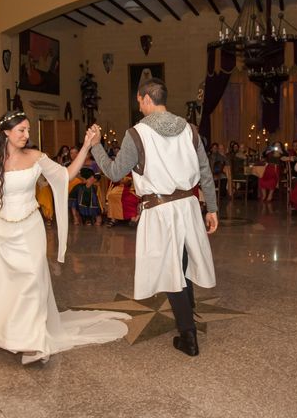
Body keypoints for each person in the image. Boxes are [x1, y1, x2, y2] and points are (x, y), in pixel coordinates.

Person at [0, 111, 129, 364]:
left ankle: (32, 342)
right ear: (6, 133)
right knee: (0, 281)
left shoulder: (36, 157)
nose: (26, 135)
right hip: (0, 227)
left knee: (33, 278)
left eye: (28, 130)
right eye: (21, 130)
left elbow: (65, 175)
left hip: (30, 227)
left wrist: (88, 145)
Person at [88, 78, 218, 357]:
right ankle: (190, 312)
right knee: (182, 261)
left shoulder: (136, 134)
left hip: (160, 211)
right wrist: (213, 209)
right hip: (188, 206)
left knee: (172, 271)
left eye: (139, 100)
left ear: (146, 98)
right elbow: (205, 172)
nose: (139, 105)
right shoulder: (190, 130)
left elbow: (112, 171)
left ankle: (188, 336)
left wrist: (96, 146)